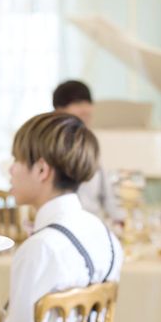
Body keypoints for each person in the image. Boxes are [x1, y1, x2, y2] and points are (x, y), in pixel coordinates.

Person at [0, 112, 124, 322]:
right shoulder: (106, 236)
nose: (11, 170)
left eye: (17, 160)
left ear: (42, 170)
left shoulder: (41, 248)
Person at [52, 80, 122, 221]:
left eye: (88, 102)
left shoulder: (92, 145)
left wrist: (120, 218)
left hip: (93, 223)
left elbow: (107, 194)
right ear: (58, 110)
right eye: (78, 103)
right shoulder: (50, 147)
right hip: (62, 222)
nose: (86, 109)